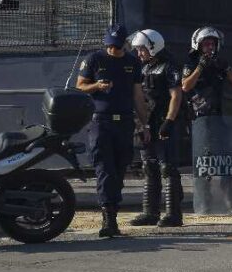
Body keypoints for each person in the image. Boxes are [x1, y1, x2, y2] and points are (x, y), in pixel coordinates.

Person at [75, 24, 149, 238]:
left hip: (124, 122)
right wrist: (97, 86)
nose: (113, 50)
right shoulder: (94, 59)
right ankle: (109, 219)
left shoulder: (132, 63)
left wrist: (145, 124)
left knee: (119, 168)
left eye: (117, 47)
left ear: (124, 44)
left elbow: (138, 96)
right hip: (101, 122)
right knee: (104, 169)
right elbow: (80, 85)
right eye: (111, 46)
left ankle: (112, 209)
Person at [182, 27, 232, 211]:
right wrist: (200, 66)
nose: (209, 47)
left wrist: (224, 67)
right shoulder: (191, 62)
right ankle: (205, 204)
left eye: (212, 44)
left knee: (226, 162)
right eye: (206, 44)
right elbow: (185, 86)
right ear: (198, 45)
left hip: (222, 118)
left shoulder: (221, 62)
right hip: (202, 118)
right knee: (205, 163)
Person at [128, 29, 185, 228]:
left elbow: (176, 95)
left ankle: (173, 214)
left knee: (167, 167)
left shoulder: (169, 66)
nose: (139, 53)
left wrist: (169, 121)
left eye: (141, 49)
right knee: (149, 167)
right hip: (146, 123)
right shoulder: (141, 68)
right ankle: (150, 213)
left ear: (153, 46)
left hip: (163, 121)